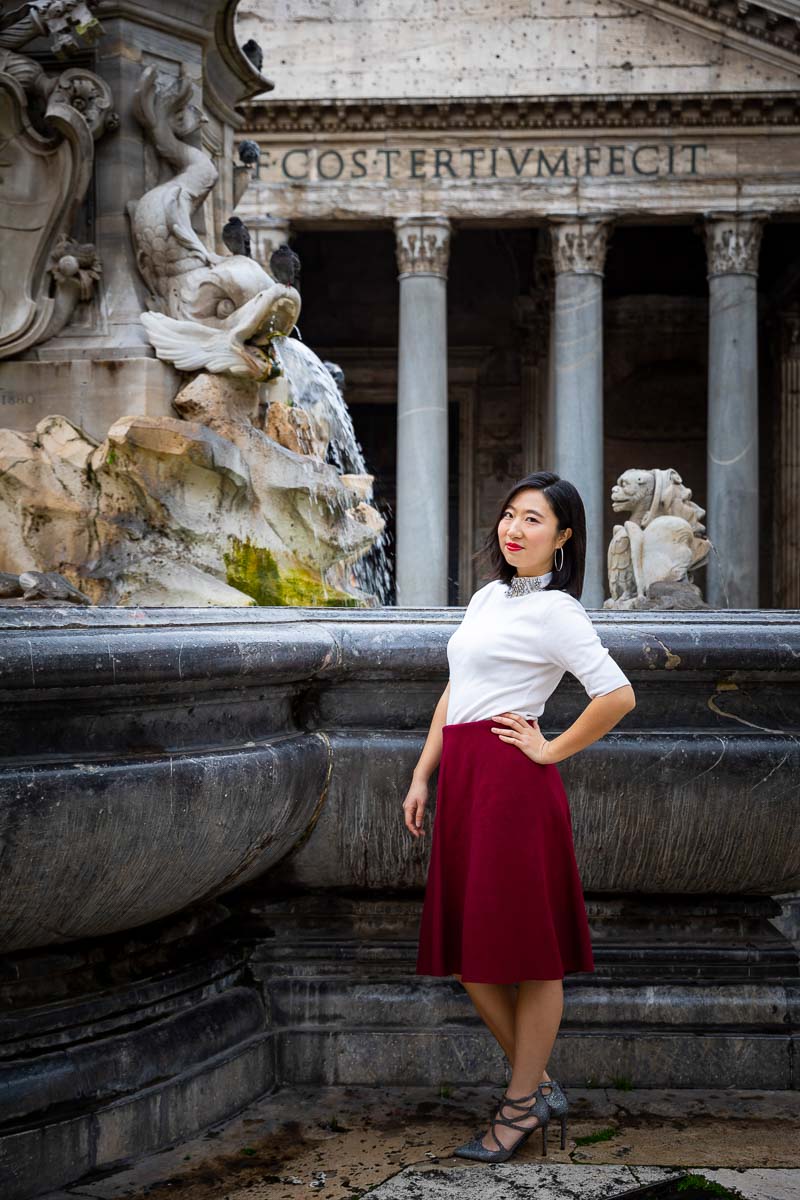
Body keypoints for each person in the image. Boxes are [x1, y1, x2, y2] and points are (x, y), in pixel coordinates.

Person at [402, 471, 636, 1162]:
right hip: (468, 778)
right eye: (509, 515)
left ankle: (519, 1105)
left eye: (533, 520)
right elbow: (458, 689)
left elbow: (617, 695)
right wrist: (422, 773)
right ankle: (537, 1088)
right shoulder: (486, 597)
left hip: (513, 781)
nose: (514, 529)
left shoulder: (560, 611)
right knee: (472, 958)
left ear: (563, 537)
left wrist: (551, 747)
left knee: (533, 956)